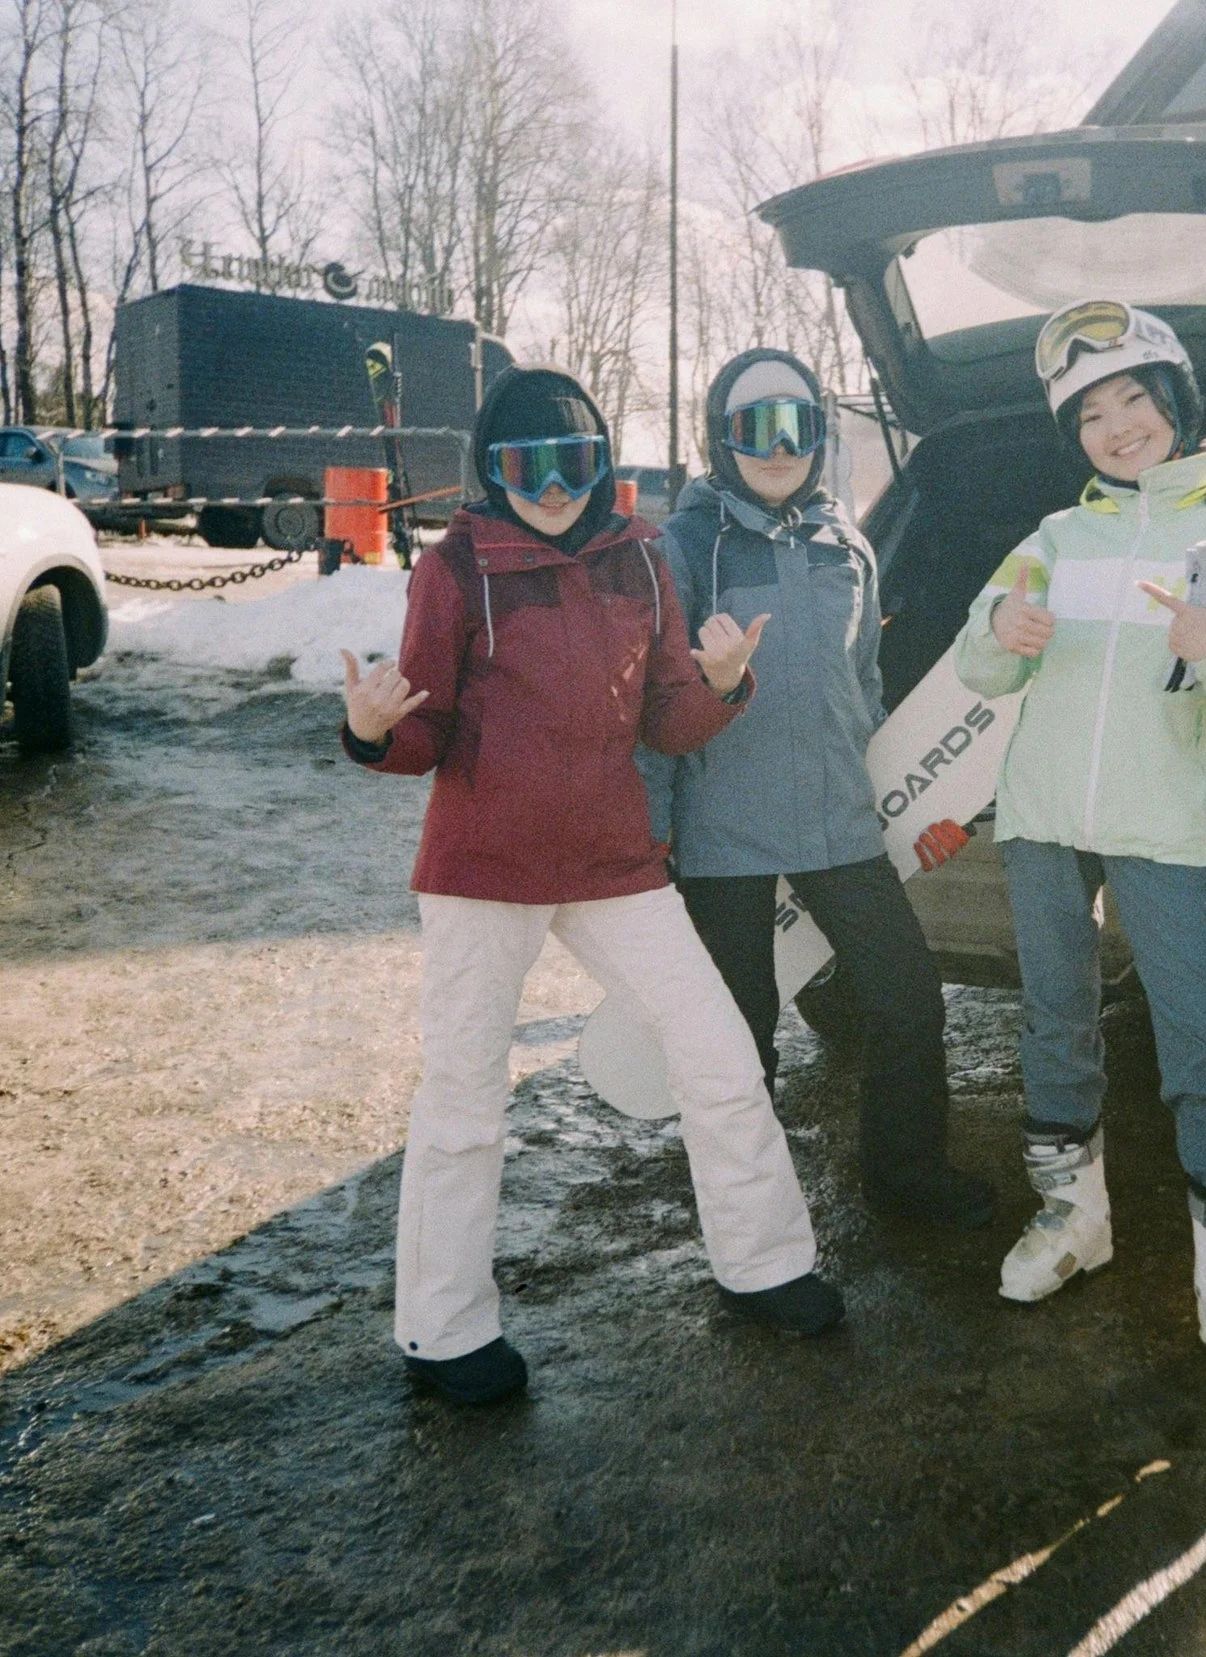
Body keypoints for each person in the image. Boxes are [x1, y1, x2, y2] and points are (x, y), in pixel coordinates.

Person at [339, 365, 841, 1407]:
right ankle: (443, 1330)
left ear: (601, 463)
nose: (553, 484)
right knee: (466, 1097)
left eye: (573, 461)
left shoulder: (642, 558)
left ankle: (764, 1263)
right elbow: (423, 730)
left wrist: (719, 686)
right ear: (492, 470)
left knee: (717, 1052)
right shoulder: (459, 567)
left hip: (615, 864)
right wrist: (373, 732)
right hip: (485, 872)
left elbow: (665, 720)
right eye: (527, 465)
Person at [952, 299, 1206, 1372]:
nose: (1118, 429)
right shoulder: (1054, 537)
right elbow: (981, 666)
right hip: (1040, 820)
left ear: (1174, 400)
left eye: (1133, 400)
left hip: (1166, 826)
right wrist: (1001, 631)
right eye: (1090, 416)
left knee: (1204, 1035)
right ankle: (1074, 1220)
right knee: (1053, 1020)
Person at [639, 348, 996, 1229]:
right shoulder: (685, 547)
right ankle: (748, 1219)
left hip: (840, 825)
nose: (778, 444)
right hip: (723, 833)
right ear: (719, 436)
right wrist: (651, 836)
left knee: (907, 1000)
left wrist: (906, 800)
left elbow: (864, 686)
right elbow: (652, 702)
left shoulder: (846, 545)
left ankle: (903, 1175)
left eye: (797, 423)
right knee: (739, 1042)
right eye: (754, 425)